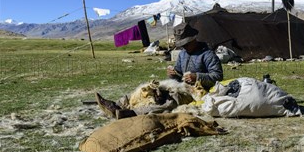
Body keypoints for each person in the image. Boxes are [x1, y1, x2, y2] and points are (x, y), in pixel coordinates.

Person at [96, 24, 224, 119]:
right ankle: (115, 104)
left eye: (186, 43)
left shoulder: (208, 55)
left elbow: (218, 76)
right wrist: (173, 73)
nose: (184, 47)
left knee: (170, 101)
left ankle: (129, 113)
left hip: (194, 92)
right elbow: (179, 73)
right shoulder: (183, 54)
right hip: (179, 85)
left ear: (193, 39)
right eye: (182, 44)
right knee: (148, 89)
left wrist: (197, 77)